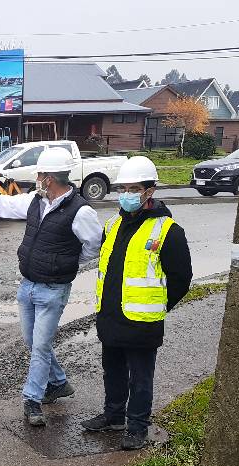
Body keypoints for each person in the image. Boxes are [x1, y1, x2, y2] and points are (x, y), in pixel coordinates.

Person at [0, 147, 103, 427]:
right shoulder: (35, 201)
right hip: (27, 285)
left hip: (54, 290)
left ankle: (32, 399)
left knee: (40, 346)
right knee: (33, 342)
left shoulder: (81, 212)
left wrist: (65, 262)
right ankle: (59, 383)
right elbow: (0, 205)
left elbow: (93, 247)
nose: (37, 179)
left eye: (40, 174)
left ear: (50, 178)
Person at [81, 156, 192, 450]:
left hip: (143, 322)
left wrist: (157, 304)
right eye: (123, 188)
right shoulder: (113, 224)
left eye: (134, 188)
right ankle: (114, 415)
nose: (127, 194)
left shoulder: (168, 231)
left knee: (140, 379)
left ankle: (137, 428)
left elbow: (181, 278)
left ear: (149, 192)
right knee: (112, 370)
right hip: (111, 316)